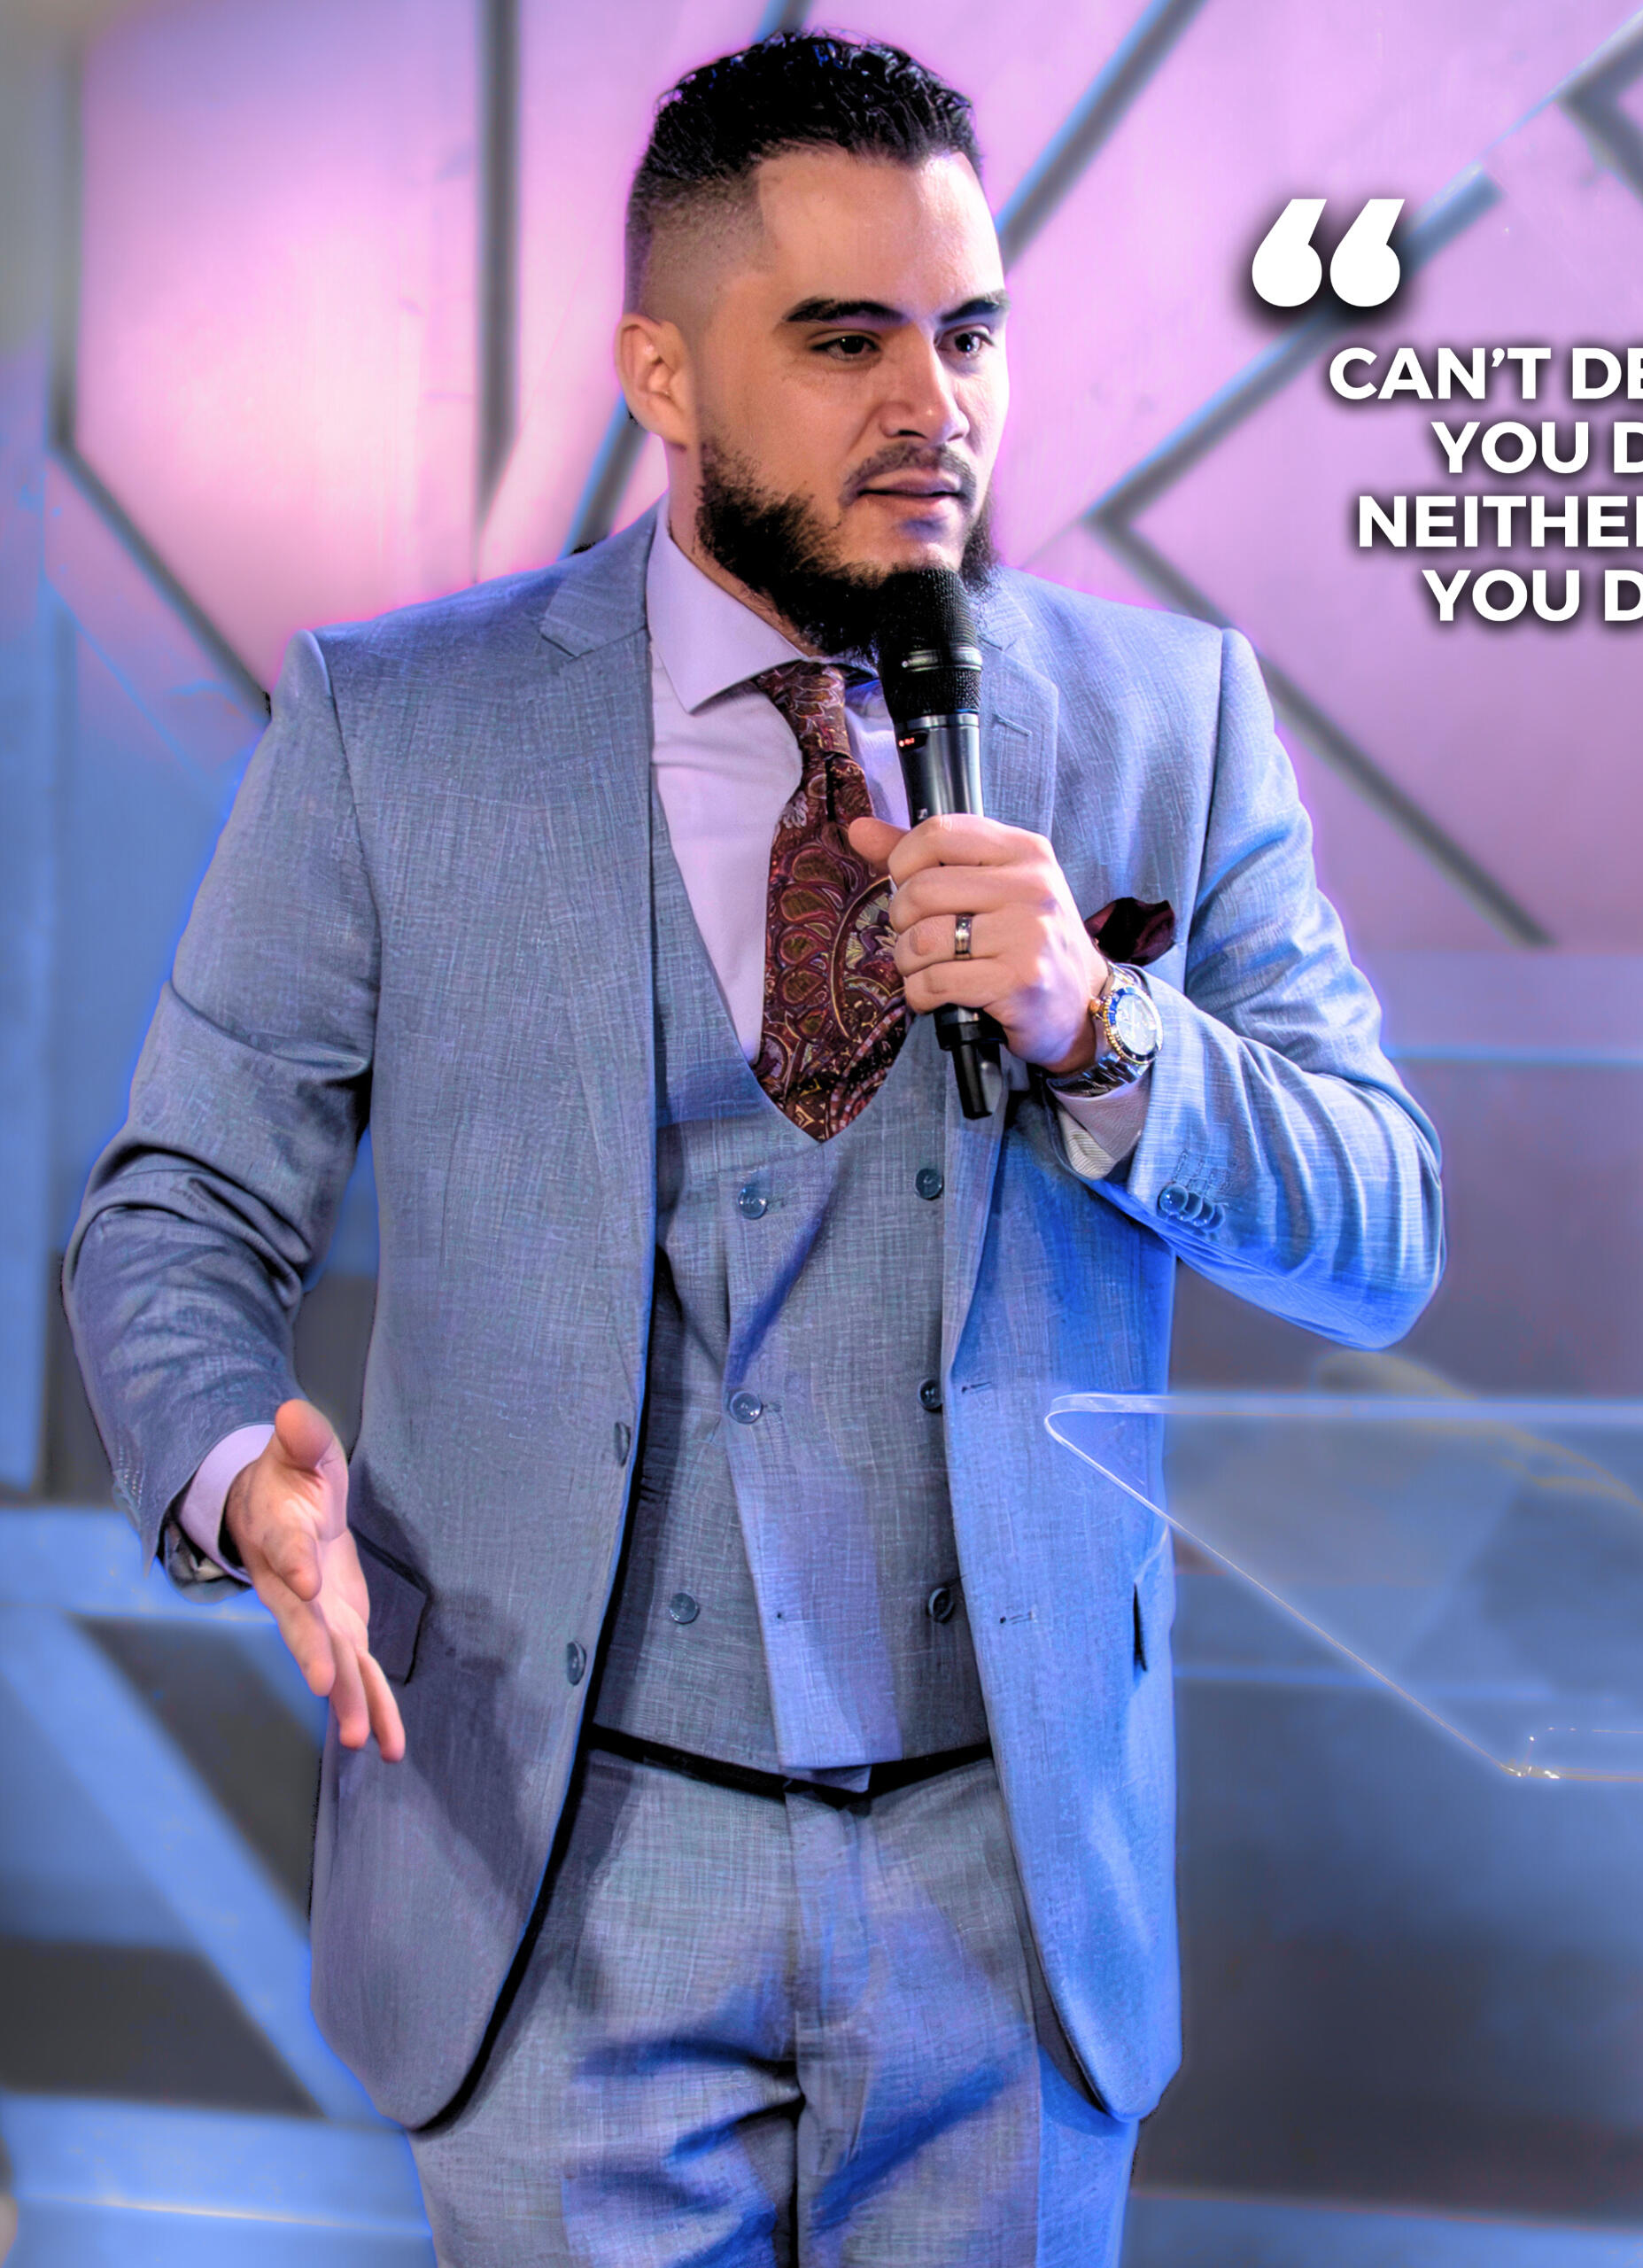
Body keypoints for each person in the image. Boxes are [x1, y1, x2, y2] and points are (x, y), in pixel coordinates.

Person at [63, 31, 1441, 2266]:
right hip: (558, 1887)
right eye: (842, 339)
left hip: (1007, 1893)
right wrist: (236, 1466)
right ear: (662, 374)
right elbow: (176, 1211)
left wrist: (1106, 1029)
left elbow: (1381, 1227)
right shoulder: (395, 725)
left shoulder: (1166, 718)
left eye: (967, 330)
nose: (933, 405)